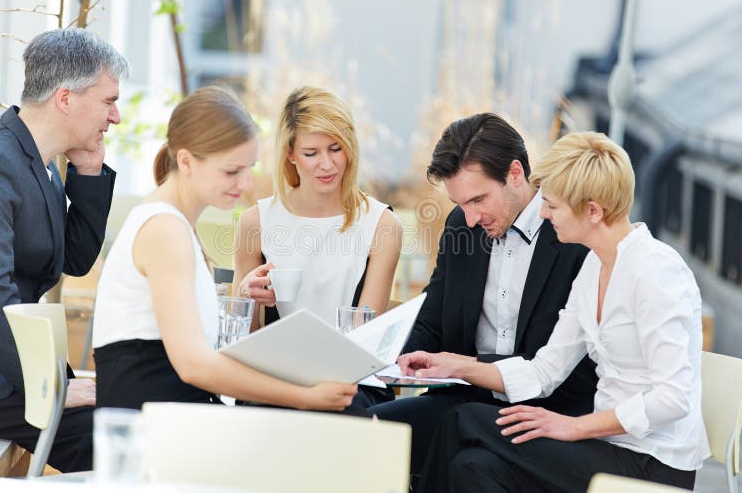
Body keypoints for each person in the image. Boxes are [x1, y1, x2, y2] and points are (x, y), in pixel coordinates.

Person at [415, 131, 710, 492]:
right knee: (472, 466)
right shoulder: (594, 268)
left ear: (592, 211)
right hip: (604, 446)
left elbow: (673, 399)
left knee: (462, 420)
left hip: (653, 461)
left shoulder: (656, 272)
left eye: (552, 206)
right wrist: (457, 366)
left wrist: (573, 427)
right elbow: (544, 371)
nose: (542, 212)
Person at [92, 85, 357, 413]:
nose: (246, 185)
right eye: (232, 171)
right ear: (186, 161)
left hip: (174, 413)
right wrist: (306, 396)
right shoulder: (165, 229)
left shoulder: (173, 222)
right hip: (157, 427)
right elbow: (194, 365)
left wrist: (242, 296)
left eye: (249, 169)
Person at [368, 113, 598, 475]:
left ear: (516, 174)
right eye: (460, 203)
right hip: (464, 397)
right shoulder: (462, 227)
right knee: (366, 433)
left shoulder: (572, 237)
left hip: (546, 412)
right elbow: (433, 316)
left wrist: (468, 367)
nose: (470, 217)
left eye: (478, 200)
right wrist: (384, 355)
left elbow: (565, 367)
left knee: (468, 464)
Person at [0, 28, 128, 472]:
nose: (115, 116)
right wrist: (46, 387)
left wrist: (90, 173)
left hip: (21, 365)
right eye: (108, 100)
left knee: (131, 418)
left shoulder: (37, 160)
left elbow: (72, 260)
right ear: (65, 98)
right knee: (119, 441)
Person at [231, 86, 402, 408]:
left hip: (352, 382)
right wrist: (246, 295)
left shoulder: (381, 224)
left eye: (336, 149)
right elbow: (245, 339)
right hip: (273, 380)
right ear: (291, 155)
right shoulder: (256, 222)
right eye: (311, 153)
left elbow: (365, 345)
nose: (327, 164)